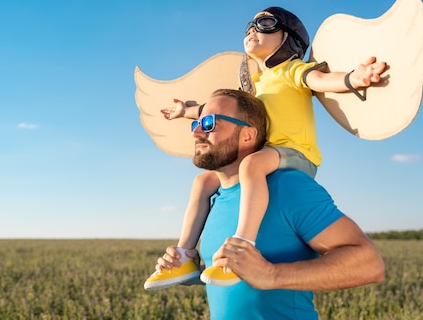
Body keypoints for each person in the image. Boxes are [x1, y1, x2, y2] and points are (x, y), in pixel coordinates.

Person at [144, 7, 387, 290]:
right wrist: (184, 109)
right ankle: (185, 256)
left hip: (296, 153)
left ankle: (243, 242)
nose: (252, 31)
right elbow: (213, 110)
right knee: (202, 181)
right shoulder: (254, 86)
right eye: (249, 27)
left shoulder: (291, 71)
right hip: (266, 156)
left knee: (251, 165)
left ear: (290, 39)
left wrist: (352, 79)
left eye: (265, 24)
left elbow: (320, 81)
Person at [151, 88, 385, 319]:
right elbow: (239, 280)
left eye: (210, 123)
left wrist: (272, 275)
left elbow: (369, 264)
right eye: (196, 124)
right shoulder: (214, 197)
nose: (197, 132)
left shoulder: (287, 187)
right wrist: (195, 273)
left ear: (248, 136)